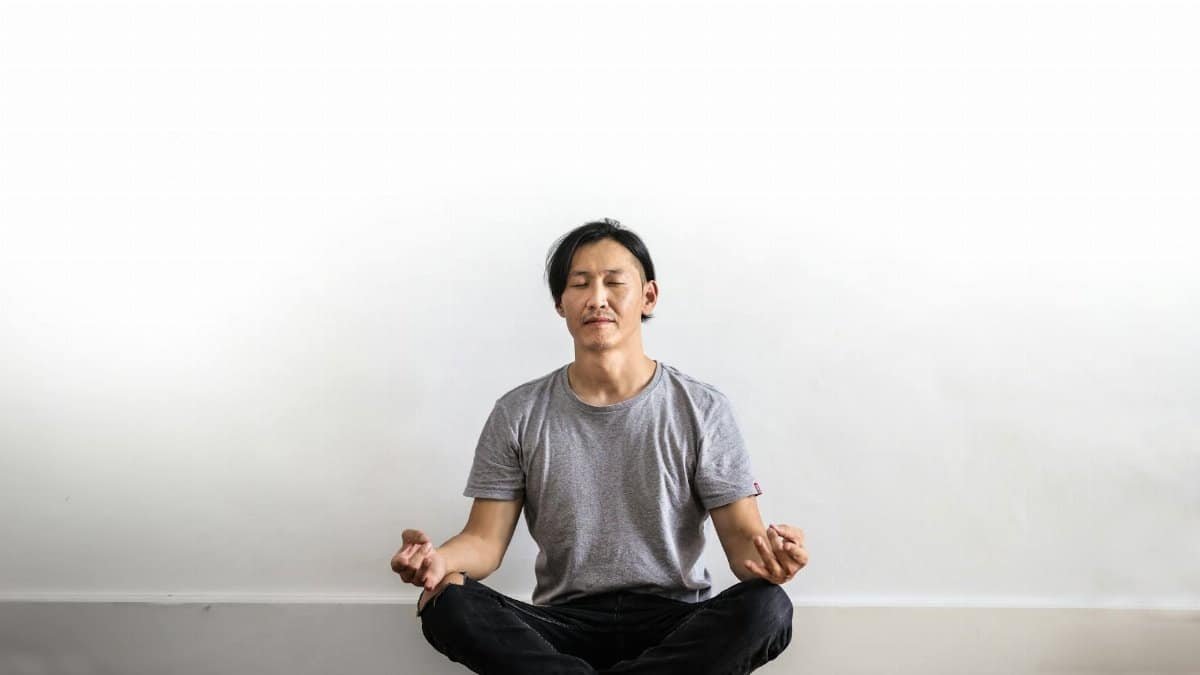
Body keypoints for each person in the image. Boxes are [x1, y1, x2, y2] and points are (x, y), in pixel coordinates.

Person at [390, 219, 808, 674]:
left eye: (614, 282)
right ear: (560, 303)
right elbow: (483, 541)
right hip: (563, 623)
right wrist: (437, 561)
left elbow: (744, 541)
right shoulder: (518, 412)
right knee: (445, 599)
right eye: (580, 284)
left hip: (674, 621)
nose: (597, 298)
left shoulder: (702, 408)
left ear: (648, 296)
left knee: (768, 606)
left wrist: (773, 557)